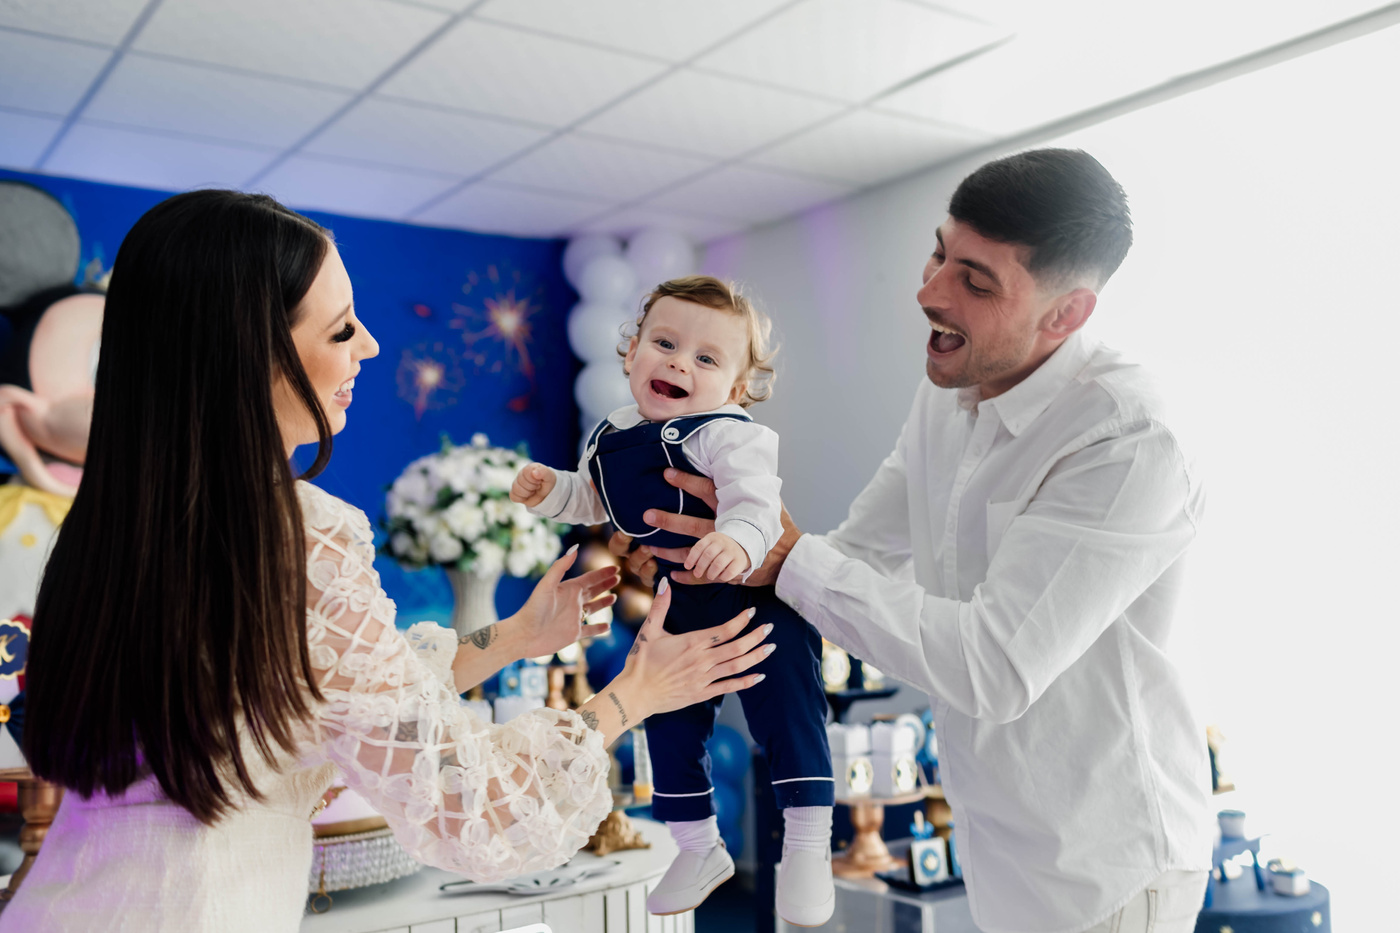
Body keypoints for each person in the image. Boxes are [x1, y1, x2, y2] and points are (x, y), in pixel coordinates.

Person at [2, 190, 773, 933]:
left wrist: (513, 637)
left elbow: (333, 690)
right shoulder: (298, 533)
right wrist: (638, 691)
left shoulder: (113, 521)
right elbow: (475, 808)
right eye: (341, 329)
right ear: (250, 353)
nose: (368, 345)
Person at [616, 150, 1214, 933]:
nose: (930, 293)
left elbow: (993, 666)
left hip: (1109, 869)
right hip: (999, 850)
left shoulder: (1128, 440)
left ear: (1065, 315)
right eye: (939, 253)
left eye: (976, 281)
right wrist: (721, 560)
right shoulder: (948, 395)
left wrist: (784, 557)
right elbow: (853, 556)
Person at [510, 277, 835, 927]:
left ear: (737, 389)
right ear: (632, 353)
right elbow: (594, 500)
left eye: (706, 358)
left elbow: (754, 502)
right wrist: (552, 492)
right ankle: (697, 845)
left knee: (788, 710)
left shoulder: (729, 434)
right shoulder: (611, 436)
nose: (680, 362)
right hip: (678, 600)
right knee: (668, 723)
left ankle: (806, 844)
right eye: (664, 343)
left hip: (754, 597)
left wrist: (738, 540)